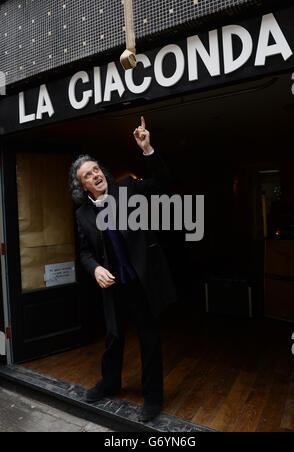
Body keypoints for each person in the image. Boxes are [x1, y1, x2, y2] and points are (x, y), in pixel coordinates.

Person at [70, 117, 177, 422]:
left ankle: (153, 397)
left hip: (140, 280)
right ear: (83, 185)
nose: (95, 175)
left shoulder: (128, 189)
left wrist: (147, 149)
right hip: (113, 284)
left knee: (149, 338)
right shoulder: (82, 215)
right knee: (114, 335)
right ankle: (110, 381)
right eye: (88, 175)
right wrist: (94, 270)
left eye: (96, 170)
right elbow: (85, 252)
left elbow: (163, 182)